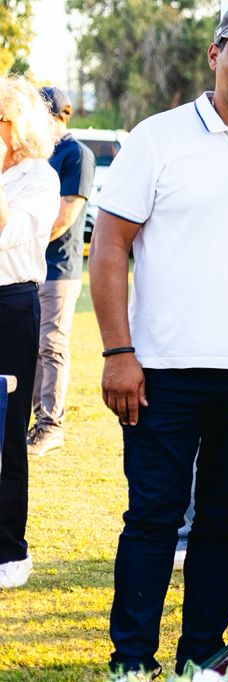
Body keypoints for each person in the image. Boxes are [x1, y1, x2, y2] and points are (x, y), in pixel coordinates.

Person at [90, 6, 228, 673]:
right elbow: (109, 247)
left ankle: (201, 658)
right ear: (215, 55)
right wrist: (118, 353)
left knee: (223, 523)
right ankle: (131, 662)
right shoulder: (159, 136)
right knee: (153, 518)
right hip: (161, 369)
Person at [0, 77, 59, 590]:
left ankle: (9, 549)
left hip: (10, 304)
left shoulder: (38, 178)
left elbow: (9, 232)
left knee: (6, 425)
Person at [26, 87, 94, 457]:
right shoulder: (37, 155)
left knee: (51, 346)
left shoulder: (76, 154)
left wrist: (23, 242)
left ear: (54, 116)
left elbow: (65, 217)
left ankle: (51, 426)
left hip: (58, 268)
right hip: (31, 266)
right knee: (32, 347)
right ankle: (33, 423)